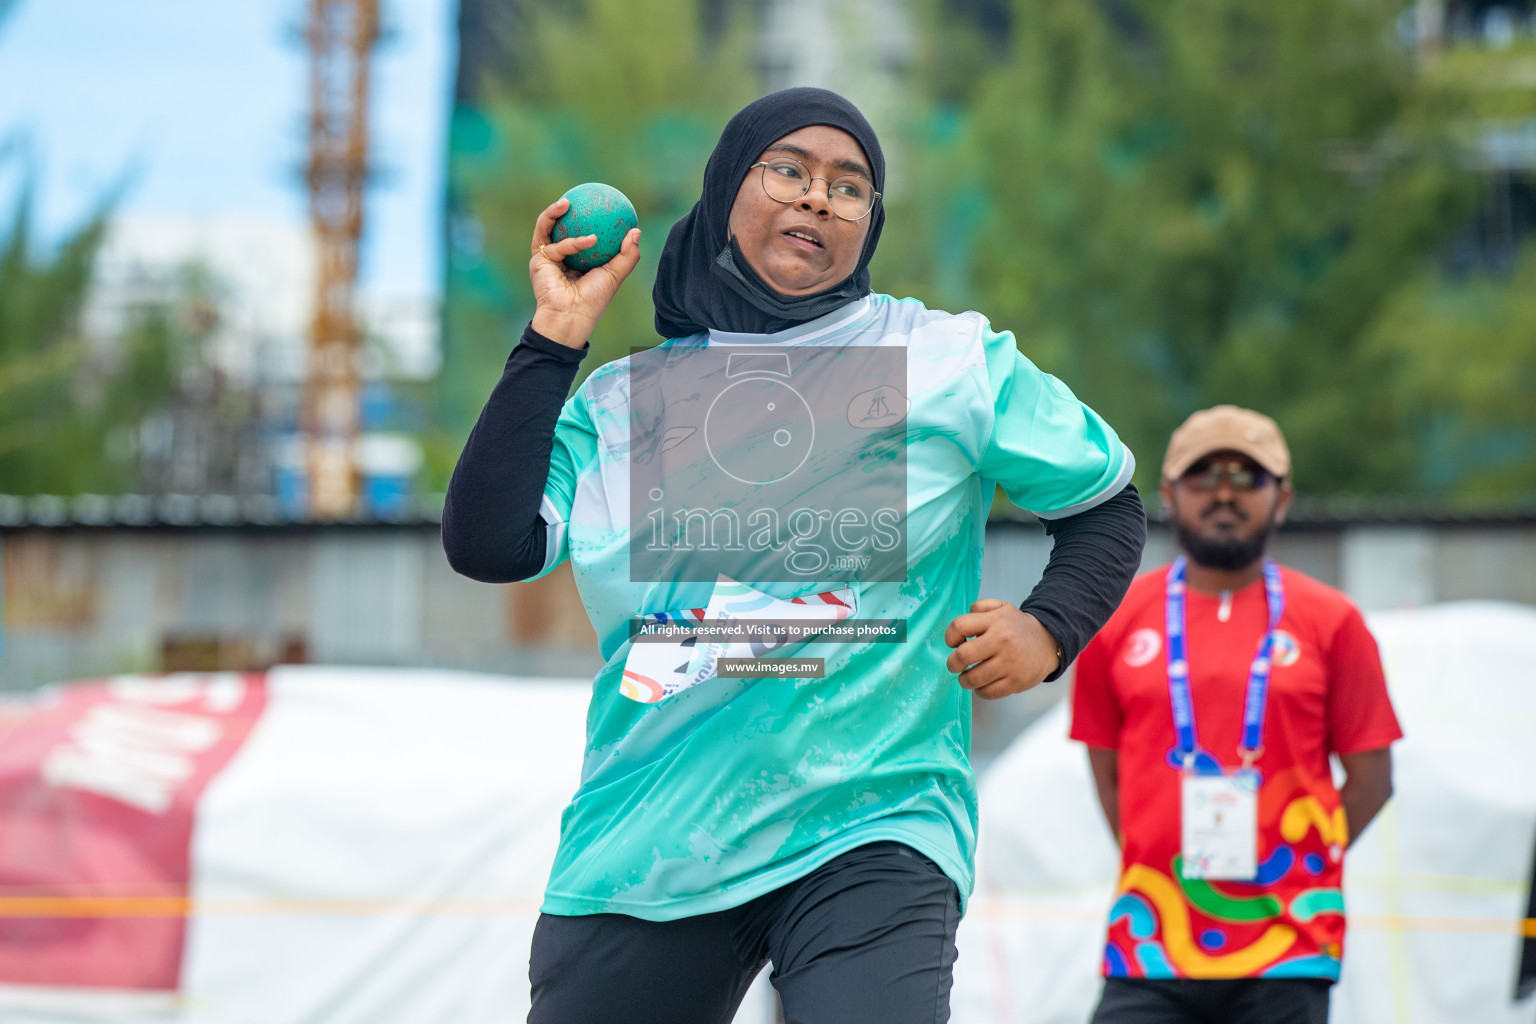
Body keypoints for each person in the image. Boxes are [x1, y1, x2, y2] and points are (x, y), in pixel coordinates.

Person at [442, 88, 1147, 1024]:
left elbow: (1107, 504)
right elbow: (490, 545)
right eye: (789, 171)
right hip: (651, 839)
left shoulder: (946, 361)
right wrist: (555, 336)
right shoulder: (623, 401)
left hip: (875, 825)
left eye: (850, 187)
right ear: (729, 190)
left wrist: (1050, 628)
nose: (819, 198)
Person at [1070, 405, 1403, 1024]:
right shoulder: (1115, 620)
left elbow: (1372, 780)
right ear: (1168, 495)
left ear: (1283, 498)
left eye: (1248, 477)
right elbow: (1107, 770)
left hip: (1288, 948)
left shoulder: (1335, 622)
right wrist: (1166, 852)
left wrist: (1295, 861)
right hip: (1150, 940)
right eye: (1203, 477)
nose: (1225, 494)